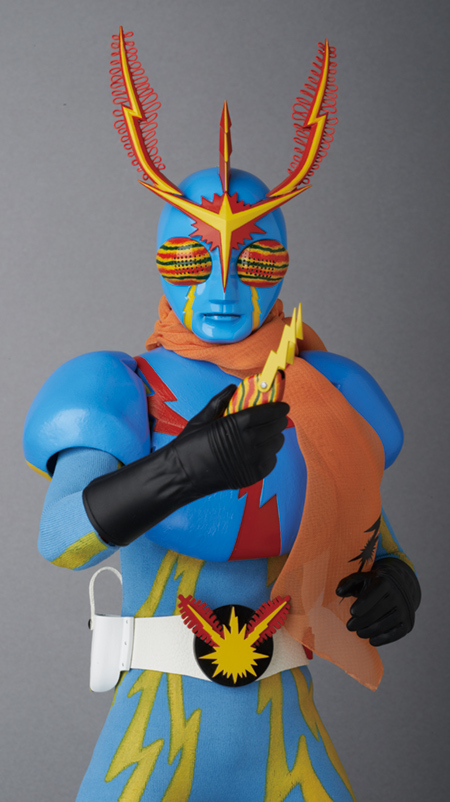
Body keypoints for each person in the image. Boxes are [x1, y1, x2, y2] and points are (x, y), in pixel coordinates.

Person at [23, 30, 420, 802]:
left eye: (255, 261)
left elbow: (365, 528)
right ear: (161, 259)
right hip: (154, 734)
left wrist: (397, 581)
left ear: (284, 265)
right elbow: (63, 538)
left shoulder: (329, 394)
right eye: (191, 260)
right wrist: (185, 468)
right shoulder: (119, 387)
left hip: (284, 730)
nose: (223, 288)